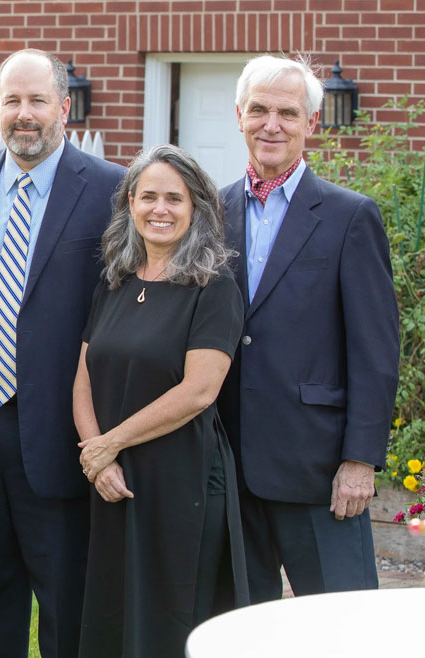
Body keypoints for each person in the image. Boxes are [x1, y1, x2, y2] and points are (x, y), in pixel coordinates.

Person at [0, 49, 125, 658]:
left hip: (63, 428)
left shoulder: (110, 189)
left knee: (68, 607)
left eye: (37, 100)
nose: (24, 114)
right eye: (12, 100)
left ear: (63, 108)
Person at [217, 55, 399, 601]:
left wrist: (360, 459)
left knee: (341, 631)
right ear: (239, 115)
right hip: (230, 468)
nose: (271, 124)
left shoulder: (350, 216)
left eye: (287, 113)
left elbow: (375, 350)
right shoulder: (213, 212)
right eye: (259, 110)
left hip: (319, 470)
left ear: (311, 124)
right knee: (242, 630)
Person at [73, 144, 248, 658]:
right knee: (113, 608)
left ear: (196, 208)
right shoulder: (116, 280)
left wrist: (108, 445)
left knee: (172, 615)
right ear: (131, 203)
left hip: (183, 478)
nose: (160, 209)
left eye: (175, 198)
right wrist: (95, 455)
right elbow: (83, 373)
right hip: (113, 479)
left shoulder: (214, 286)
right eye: (148, 196)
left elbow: (200, 389)